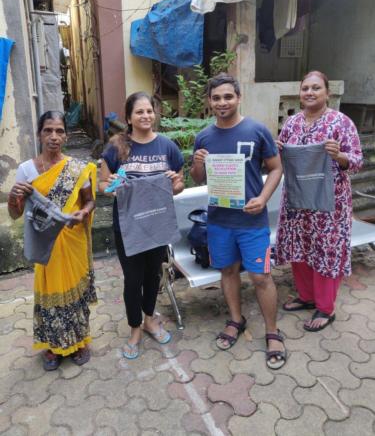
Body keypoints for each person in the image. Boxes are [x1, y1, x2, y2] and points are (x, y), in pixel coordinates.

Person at [191, 73, 286, 369]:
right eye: (216, 97)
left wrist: (264, 198)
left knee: (261, 277)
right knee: (228, 271)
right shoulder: (204, 137)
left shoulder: (256, 130)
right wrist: (196, 164)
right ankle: (236, 320)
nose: (222, 102)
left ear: (238, 97)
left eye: (227, 96)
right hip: (219, 221)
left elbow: (276, 168)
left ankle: (273, 331)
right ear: (209, 101)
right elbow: (198, 178)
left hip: (252, 222)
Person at [8, 110, 97, 370]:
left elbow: (90, 200)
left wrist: (85, 212)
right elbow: (15, 214)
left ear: (66, 136)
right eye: (48, 130)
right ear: (39, 134)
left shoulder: (77, 168)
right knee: (49, 293)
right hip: (46, 244)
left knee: (75, 293)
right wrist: (14, 196)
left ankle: (79, 341)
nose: (54, 137)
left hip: (73, 241)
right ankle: (52, 345)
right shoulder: (26, 170)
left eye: (59, 131)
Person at [276, 71, 363, 331]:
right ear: (299, 93)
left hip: (330, 204)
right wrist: (278, 149)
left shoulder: (341, 122)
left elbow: (357, 161)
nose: (310, 93)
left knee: (327, 251)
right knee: (300, 247)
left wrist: (339, 156)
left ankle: (325, 309)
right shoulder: (291, 124)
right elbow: (284, 161)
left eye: (316, 88)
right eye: (305, 88)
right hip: (298, 199)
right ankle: (306, 297)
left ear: (327, 93)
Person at [99, 92, 184, 359]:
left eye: (149, 111)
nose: (146, 116)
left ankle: (149, 319)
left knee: (153, 277)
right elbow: (102, 185)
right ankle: (134, 328)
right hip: (128, 227)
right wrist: (111, 187)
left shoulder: (167, 146)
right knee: (133, 280)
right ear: (129, 117)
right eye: (139, 112)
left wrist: (174, 183)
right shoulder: (115, 147)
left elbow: (179, 185)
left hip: (157, 225)